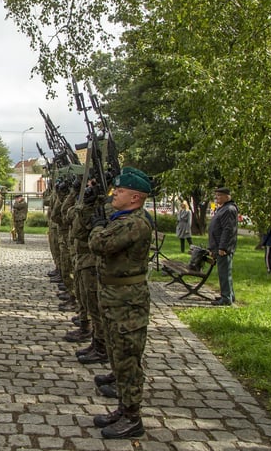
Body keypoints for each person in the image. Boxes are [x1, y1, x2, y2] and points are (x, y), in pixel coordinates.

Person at [88, 167, 154, 439]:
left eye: (122, 191)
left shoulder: (134, 223)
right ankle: (123, 408)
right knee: (117, 353)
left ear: (136, 198)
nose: (116, 194)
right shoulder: (124, 217)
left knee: (127, 358)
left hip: (128, 301)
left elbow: (99, 244)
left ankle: (132, 417)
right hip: (116, 298)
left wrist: (98, 227)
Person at [208, 187, 239, 306]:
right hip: (218, 246)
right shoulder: (223, 208)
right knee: (224, 272)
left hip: (223, 248)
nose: (217, 198)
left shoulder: (229, 209)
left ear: (227, 196)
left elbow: (228, 229)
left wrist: (223, 247)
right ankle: (228, 294)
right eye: (216, 195)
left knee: (224, 273)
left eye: (219, 195)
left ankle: (226, 298)